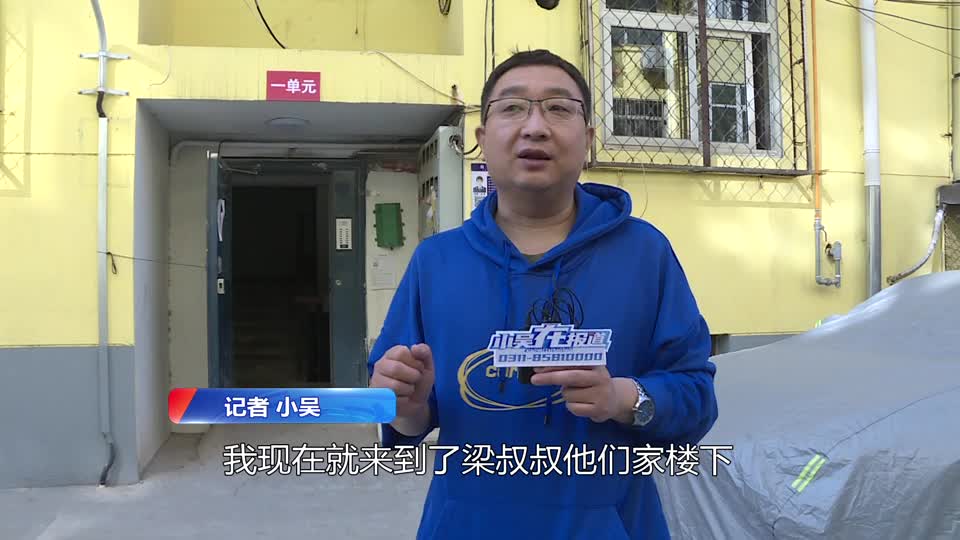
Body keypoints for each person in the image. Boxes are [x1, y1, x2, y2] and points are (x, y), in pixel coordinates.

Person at [367, 49, 718, 540]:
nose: (535, 127)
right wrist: (405, 405)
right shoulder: (436, 262)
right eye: (512, 107)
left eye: (558, 108)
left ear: (588, 139)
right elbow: (404, 423)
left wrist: (619, 397)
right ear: (482, 139)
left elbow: (696, 400)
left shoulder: (644, 252)